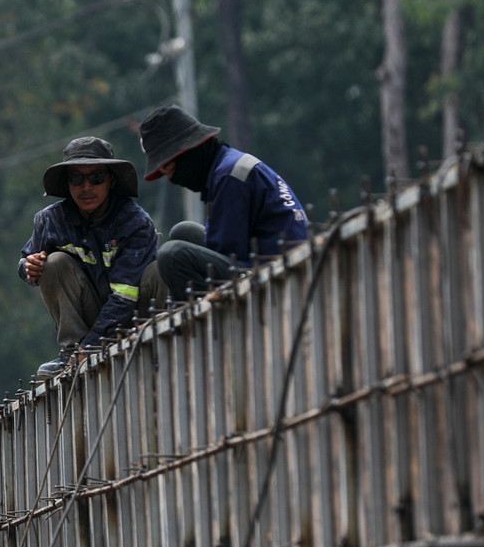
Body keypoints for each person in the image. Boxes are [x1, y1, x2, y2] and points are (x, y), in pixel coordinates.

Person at [18, 136, 159, 380]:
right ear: (67, 183)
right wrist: (28, 268)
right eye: (76, 179)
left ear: (111, 180)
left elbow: (125, 297)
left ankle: (157, 339)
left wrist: (92, 346)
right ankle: (71, 350)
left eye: (96, 178)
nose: (86, 188)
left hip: (134, 318)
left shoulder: (135, 223)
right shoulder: (50, 220)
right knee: (53, 263)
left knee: (159, 268)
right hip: (88, 325)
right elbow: (27, 261)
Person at [139, 104, 310, 299]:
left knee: (171, 255)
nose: (173, 179)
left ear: (186, 154)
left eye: (169, 169)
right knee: (182, 232)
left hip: (273, 271)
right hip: (253, 260)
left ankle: (191, 319)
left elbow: (228, 252)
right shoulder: (226, 166)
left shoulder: (230, 176)